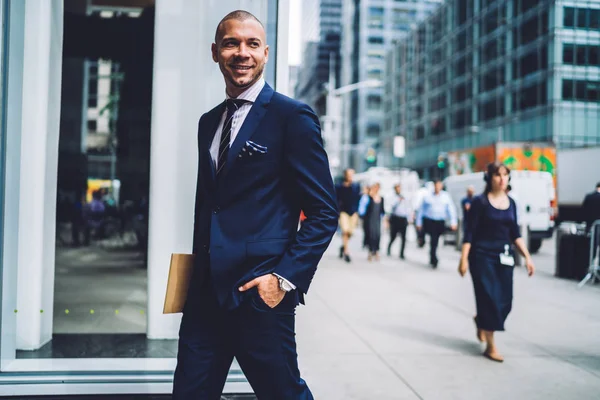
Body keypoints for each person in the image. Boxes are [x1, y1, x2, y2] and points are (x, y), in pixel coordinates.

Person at [172, 11, 338, 399]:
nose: (241, 52)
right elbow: (212, 206)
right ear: (216, 52)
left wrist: (282, 280)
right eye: (231, 43)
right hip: (205, 298)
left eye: (251, 44)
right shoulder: (208, 122)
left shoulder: (291, 117)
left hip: (260, 297)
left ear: (265, 52)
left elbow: (324, 212)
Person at [458, 162, 535, 363]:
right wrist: (463, 258)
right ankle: (491, 346)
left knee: (505, 301)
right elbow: (470, 232)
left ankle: (481, 321)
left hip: (504, 256)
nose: (502, 179)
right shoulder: (480, 203)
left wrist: (527, 257)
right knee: (488, 299)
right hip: (481, 256)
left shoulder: (512, 203)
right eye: (498, 175)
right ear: (489, 178)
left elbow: (515, 234)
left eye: (505, 175)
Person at [416, 180, 457, 268]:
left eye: (439, 186)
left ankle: (432, 255)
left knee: (435, 240)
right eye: (436, 185)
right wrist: (418, 222)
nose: (437, 187)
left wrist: (453, 222)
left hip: (439, 221)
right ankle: (432, 256)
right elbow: (421, 210)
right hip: (429, 221)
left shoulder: (446, 196)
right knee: (433, 239)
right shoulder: (427, 196)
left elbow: (451, 209)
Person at [335, 169, 362, 262]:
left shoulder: (356, 186)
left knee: (350, 232)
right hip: (343, 212)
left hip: (353, 212)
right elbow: (336, 199)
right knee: (345, 230)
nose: (350, 176)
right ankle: (346, 251)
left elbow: (358, 199)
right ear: (345, 175)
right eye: (349, 175)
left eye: (352, 175)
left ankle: (343, 246)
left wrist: (358, 211)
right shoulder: (339, 186)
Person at [387, 183, 410, 259]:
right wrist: (398, 201)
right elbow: (391, 206)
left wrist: (409, 218)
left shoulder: (404, 197)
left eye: (399, 188)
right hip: (395, 218)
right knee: (393, 236)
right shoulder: (393, 197)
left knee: (403, 237)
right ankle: (389, 248)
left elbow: (408, 208)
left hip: (403, 219)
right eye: (397, 188)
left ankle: (402, 253)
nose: (398, 190)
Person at [365, 183, 385, 261]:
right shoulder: (369, 197)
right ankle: (370, 251)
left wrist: (385, 219)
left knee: (378, 235)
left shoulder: (381, 198)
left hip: (378, 219)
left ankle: (376, 251)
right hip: (370, 219)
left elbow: (382, 210)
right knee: (371, 235)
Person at [583, 182, 600, 260]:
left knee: (591, 248)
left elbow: (583, 211)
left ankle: (589, 263)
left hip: (590, 227)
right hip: (598, 227)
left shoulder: (589, 197)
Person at [358, 185, 371, 249]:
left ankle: (366, 243)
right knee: (365, 229)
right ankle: (365, 242)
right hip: (362, 215)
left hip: (367, 215)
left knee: (367, 229)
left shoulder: (369, 197)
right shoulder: (361, 196)